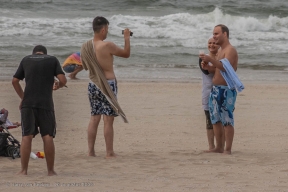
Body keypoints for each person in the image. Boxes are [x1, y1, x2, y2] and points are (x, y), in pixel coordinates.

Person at [12, 45, 67, 175]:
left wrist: (23, 98)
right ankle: (50, 171)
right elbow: (63, 80)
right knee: (47, 136)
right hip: (46, 104)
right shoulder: (52, 60)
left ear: (34, 53)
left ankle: (23, 170)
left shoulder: (26, 60)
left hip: (28, 104)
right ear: (45, 53)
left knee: (26, 136)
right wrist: (58, 85)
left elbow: (15, 81)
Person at [80, 16, 130, 158]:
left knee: (94, 117)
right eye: (107, 29)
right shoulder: (107, 45)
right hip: (108, 85)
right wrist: (127, 37)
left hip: (93, 85)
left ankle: (91, 152)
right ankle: (109, 152)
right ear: (103, 29)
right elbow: (126, 54)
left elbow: (84, 66)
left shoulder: (85, 46)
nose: (107, 32)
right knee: (108, 119)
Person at [199, 24, 239, 154]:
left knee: (227, 119)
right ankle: (219, 147)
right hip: (216, 89)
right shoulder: (221, 50)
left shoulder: (230, 50)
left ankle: (228, 149)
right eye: (213, 34)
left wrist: (210, 59)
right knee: (215, 118)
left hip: (226, 89)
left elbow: (225, 67)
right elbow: (217, 69)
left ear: (225, 34)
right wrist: (208, 68)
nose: (214, 36)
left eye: (216, 34)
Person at [199, 37, 220, 151]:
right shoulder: (202, 58)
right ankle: (211, 146)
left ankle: (220, 145)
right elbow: (206, 70)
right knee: (209, 120)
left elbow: (227, 69)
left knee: (220, 120)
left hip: (221, 90)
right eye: (209, 43)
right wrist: (217, 66)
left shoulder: (222, 56)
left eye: (214, 43)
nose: (212, 45)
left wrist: (216, 66)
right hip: (207, 91)